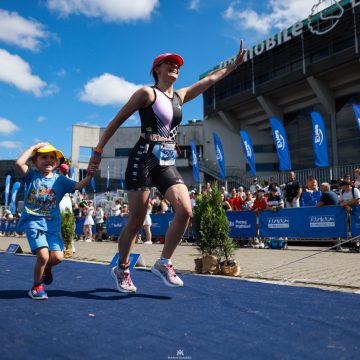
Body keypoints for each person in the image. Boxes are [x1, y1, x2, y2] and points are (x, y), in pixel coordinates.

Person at [87, 41, 246, 292]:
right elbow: (116, 121)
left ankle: (164, 262)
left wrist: (233, 66)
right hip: (143, 157)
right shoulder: (146, 94)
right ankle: (123, 267)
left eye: (178, 65)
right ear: (157, 69)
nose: (174, 67)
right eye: (168, 63)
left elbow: (209, 81)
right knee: (137, 220)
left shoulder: (180, 96)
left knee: (185, 210)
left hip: (166, 161)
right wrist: (97, 151)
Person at [15, 143, 94, 300]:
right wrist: (34, 147)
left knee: (57, 257)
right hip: (34, 221)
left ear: (57, 162)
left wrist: (89, 176)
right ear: (35, 161)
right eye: (43, 157)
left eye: (52, 157)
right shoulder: (31, 175)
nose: (49, 160)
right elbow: (19, 163)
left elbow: (78, 185)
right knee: (43, 256)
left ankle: (46, 269)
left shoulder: (61, 180)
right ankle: (36, 286)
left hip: (52, 224)